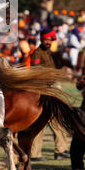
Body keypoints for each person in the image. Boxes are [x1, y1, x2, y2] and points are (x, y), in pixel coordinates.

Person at [30, 27, 70, 161]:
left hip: (50, 90)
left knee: (56, 120)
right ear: (41, 39)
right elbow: (35, 72)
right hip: (41, 91)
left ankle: (61, 150)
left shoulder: (48, 53)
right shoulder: (37, 53)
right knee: (40, 122)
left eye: (50, 39)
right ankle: (35, 154)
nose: (48, 41)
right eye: (46, 39)